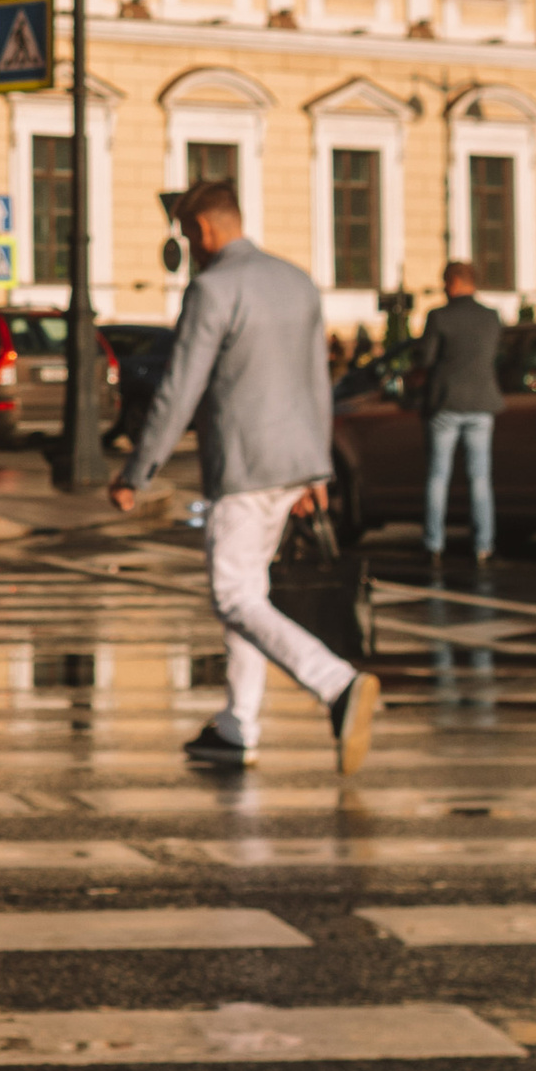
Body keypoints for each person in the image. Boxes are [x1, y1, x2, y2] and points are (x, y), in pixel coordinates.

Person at [109, 177, 380, 777]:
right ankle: (239, 724)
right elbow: (317, 382)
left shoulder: (213, 289)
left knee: (232, 596)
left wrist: (138, 471)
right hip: (293, 466)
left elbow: (180, 388)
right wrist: (318, 471)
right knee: (249, 594)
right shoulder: (297, 281)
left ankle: (336, 685)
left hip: (243, 467)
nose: (189, 250)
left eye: (186, 237)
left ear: (204, 231)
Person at [418, 256, 502, 571]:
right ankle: (484, 545)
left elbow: (425, 359)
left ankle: (433, 544)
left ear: (453, 283)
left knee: (438, 477)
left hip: (447, 403)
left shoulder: (439, 317)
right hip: (482, 403)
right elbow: (494, 355)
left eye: (444, 282)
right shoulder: (492, 317)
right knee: (480, 478)